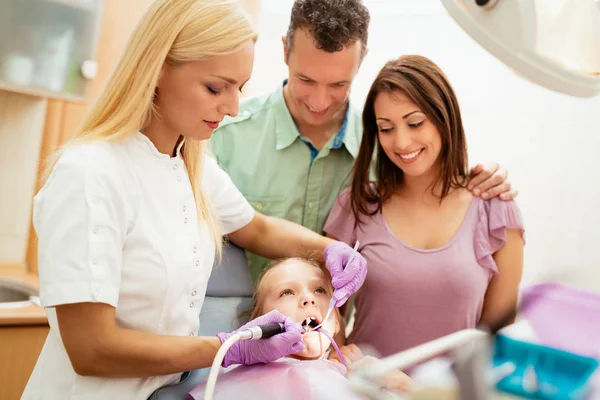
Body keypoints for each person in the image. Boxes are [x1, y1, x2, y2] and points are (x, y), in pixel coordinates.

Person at [21, 1, 366, 399]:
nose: (233, 106)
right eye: (216, 88)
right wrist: (231, 348)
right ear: (157, 70)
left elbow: (256, 227)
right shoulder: (91, 174)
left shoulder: (191, 165)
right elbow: (91, 349)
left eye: (241, 87)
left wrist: (332, 250)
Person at [211, 0, 518, 283]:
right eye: (305, 79)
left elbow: (440, 194)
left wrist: (485, 177)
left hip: (336, 338)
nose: (319, 101)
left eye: (338, 84)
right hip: (230, 334)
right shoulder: (222, 136)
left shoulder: (391, 150)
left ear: (361, 61)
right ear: (284, 50)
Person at [324, 55, 526, 359]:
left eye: (415, 123)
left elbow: (495, 341)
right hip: (363, 387)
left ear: (444, 119)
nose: (402, 142)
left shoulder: (495, 211)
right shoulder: (356, 206)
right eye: (386, 128)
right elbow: (329, 319)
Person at [188, 258, 414, 400]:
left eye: (319, 290)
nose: (308, 299)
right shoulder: (236, 377)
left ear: (335, 321)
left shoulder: (357, 377)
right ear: (260, 320)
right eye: (287, 292)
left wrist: (402, 384)